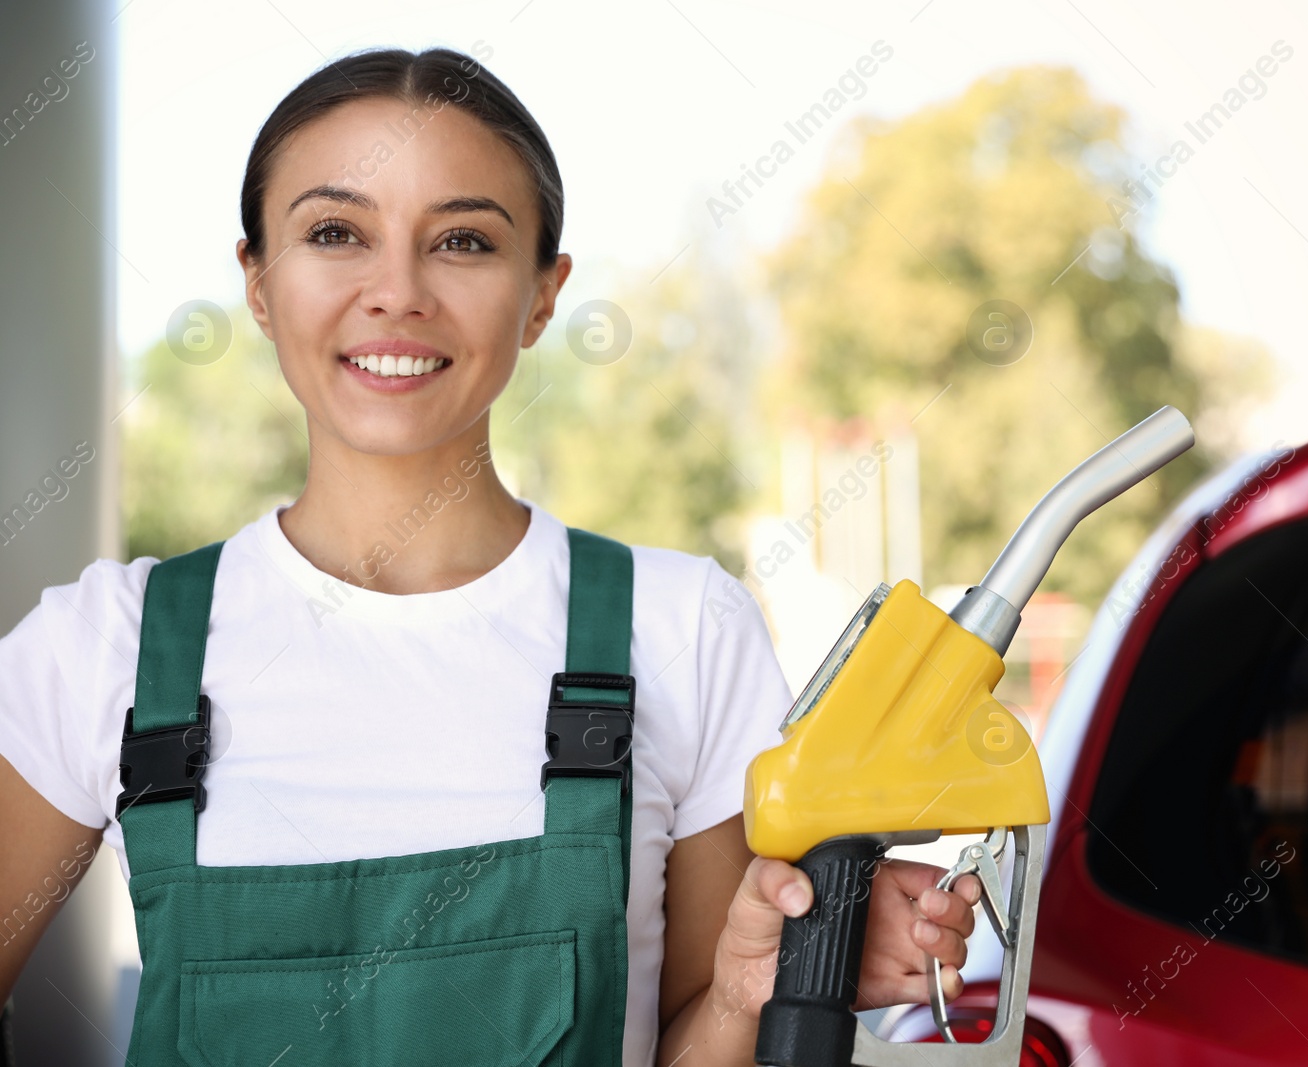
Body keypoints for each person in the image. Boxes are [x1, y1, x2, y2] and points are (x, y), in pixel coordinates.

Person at [0, 46, 982, 1067]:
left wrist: (748, 992)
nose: (397, 292)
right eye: (335, 232)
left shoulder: (682, 629)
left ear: (544, 293)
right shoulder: (103, 646)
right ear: (256, 280)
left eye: (462, 240)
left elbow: (705, 1032)